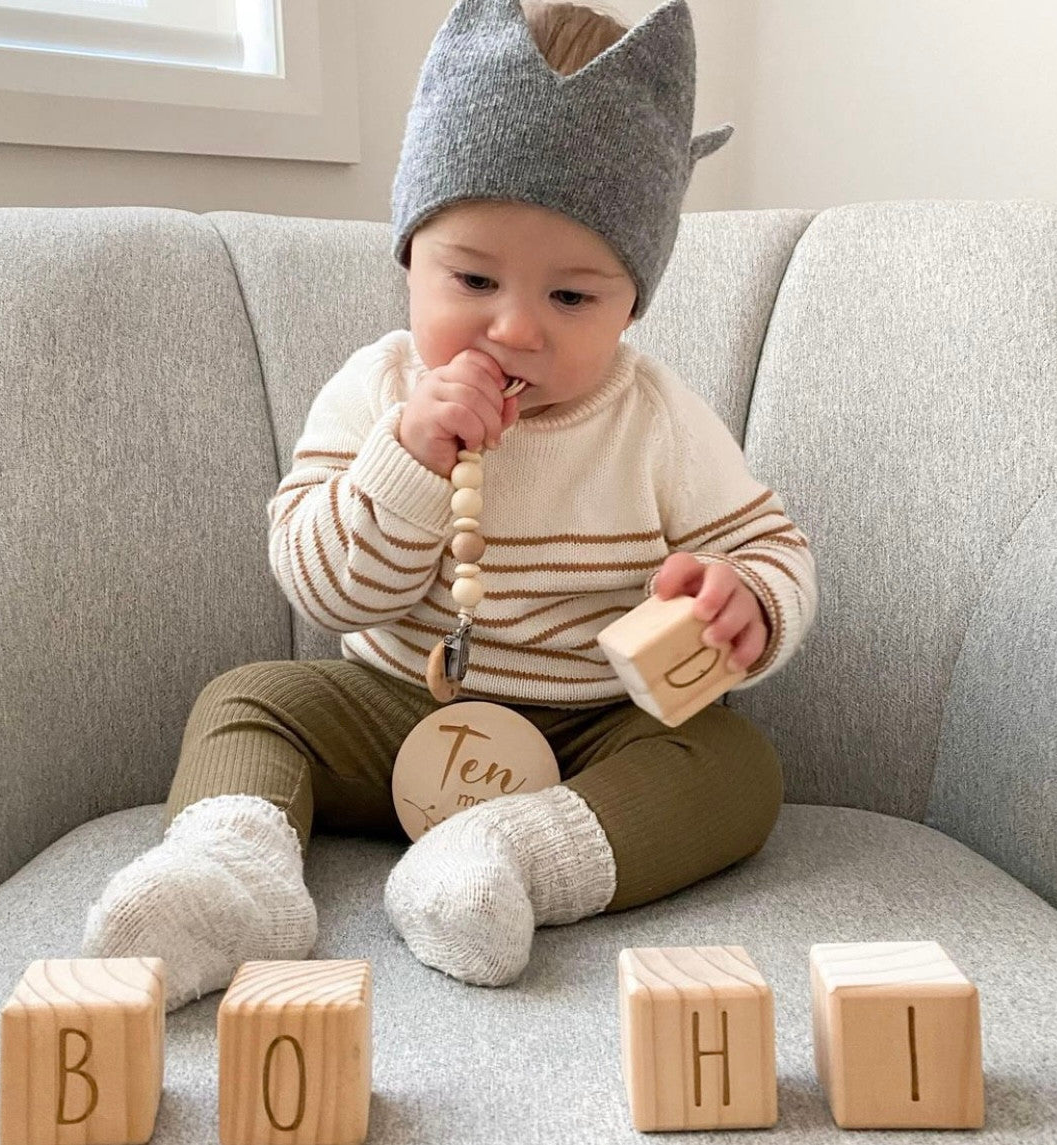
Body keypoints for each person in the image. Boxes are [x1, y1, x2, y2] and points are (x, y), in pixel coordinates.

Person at [82, 0, 818, 1010]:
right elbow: (324, 588)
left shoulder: (656, 416)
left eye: (573, 298)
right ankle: (229, 878)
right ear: (411, 258)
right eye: (473, 276)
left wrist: (746, 599)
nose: (516, 327)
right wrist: (411, 457)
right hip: (398, 708)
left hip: (593, 735)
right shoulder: (375, 390)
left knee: (738, 765)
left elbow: (770, 542)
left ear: (632, 301)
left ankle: (509, 861)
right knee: (250, 698)